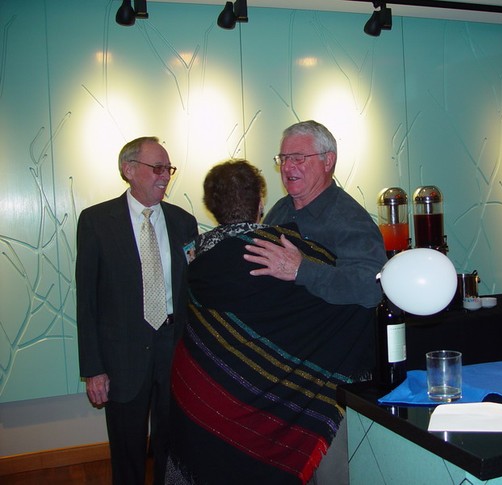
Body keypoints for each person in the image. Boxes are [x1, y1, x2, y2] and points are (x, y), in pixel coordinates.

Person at [165, 160, 376, 485]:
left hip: (210, 395)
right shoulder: (286, 251)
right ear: (261, 204)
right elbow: (355, 298)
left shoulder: (196, 260)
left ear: (211, 207)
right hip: (278, 402)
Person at [244, 120, 387, 484]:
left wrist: (302, 270)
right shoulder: (279, 212)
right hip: (285, 376)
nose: (288, 167)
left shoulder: (350, 219)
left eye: (299, 158)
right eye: (283, 158)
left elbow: (371, 287)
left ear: (328, 160)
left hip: (330, 384)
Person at [76, 136, 198, 485]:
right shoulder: (97, 222)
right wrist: (94, 369)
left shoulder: (183, 222)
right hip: (122, 357)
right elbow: (87, 301)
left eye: (168, 169)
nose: (165, 176)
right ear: (129, 169)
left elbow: (192, 292)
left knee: (170, 445)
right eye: (157, 168)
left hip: (173, 350)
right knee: (127, 451)